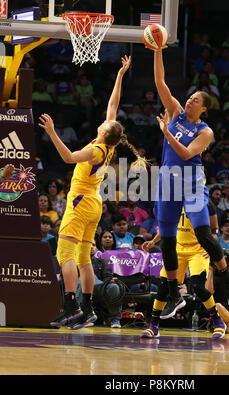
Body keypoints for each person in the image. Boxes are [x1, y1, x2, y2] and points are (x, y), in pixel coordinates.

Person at [39, 55, 147, 330]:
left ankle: (71, 306)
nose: (103, 122)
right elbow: (113, 106)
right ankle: (87, 310)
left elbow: (67, 157)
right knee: (84, 258)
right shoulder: (108, 143)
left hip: (80, 202)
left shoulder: (95, 148)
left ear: (105, 133)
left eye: (105, 125)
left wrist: (52, 132)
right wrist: (121, 75)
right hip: (95, 204)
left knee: (64, 255)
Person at [148, 45, 229, 317]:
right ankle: (174, 293)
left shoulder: (205, 131)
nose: (189, 102)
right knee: (167, 239)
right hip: (168, 181)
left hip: (190, 182)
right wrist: (157, 50)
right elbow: (160, 82)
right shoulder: (175, 112)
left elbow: (187, 153)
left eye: (195, 101)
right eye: (190, 98)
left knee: (202, 232)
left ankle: (225, 277)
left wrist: (167, 133)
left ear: (204, 109)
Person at [140, 207, 226, 340]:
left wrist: (212, 246)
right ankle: (153, 326)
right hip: (178, 248)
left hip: (198, 249)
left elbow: (213, 230)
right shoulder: (175, 202)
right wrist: (153, 241)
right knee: (163, 287)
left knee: (198, 287)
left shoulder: (201, 203)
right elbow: (167, 227)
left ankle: (217, 321)